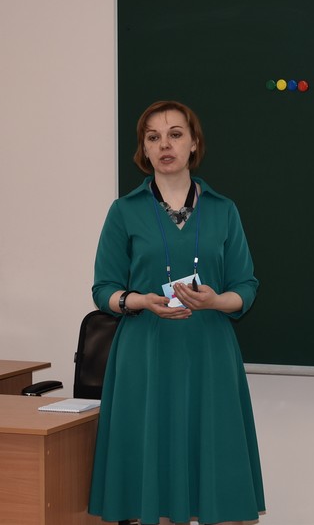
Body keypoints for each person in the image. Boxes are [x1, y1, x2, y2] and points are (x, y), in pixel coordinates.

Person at [89, 100, 265, 525]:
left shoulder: (223, 209)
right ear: (144, 150)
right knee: (154, 489)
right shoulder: (124, 210)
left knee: (217, 483)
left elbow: (246, 287)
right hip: (145, 355)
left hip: (209, 354)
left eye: (174, 134)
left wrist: (215, 301)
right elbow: (104, 290)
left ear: (194, 143)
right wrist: (139, 301)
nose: (164, 145)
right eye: (153, 137)